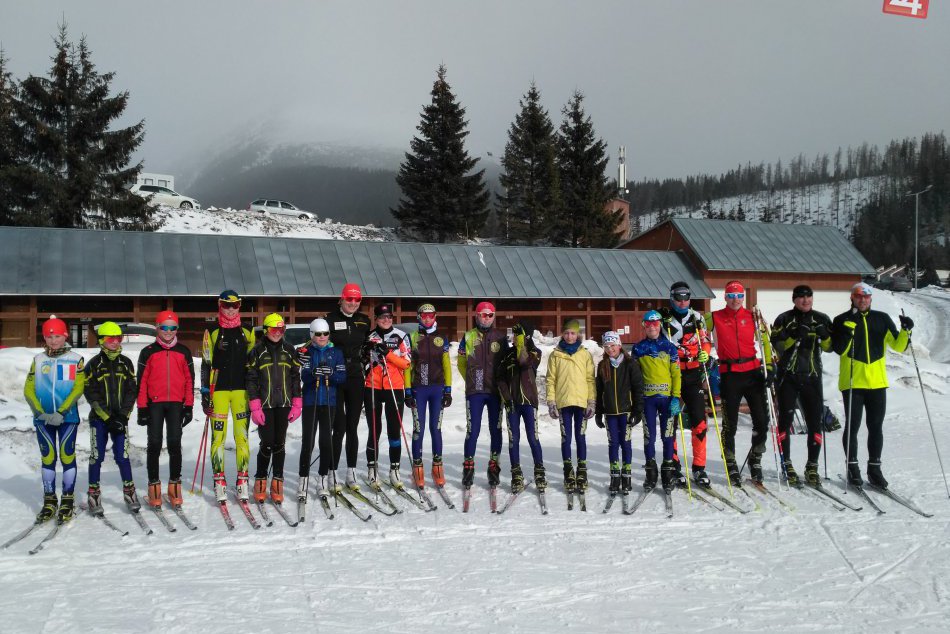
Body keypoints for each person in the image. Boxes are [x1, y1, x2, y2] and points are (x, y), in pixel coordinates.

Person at [831, 282, 911, 488]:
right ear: (852, 298)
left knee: (875, 427)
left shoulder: (881, 319)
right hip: (852, 383)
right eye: (859, 296)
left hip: (877, 383)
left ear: (871, 299)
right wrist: (849, 330)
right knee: (853, 427)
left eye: (866, 296)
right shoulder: (842, 320)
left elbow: (899, 346)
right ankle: (853, 468)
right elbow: (839, 349)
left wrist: (906, 330)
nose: (863, 300)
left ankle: (875, 469)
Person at [706, 281, 773, 485]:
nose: (735, 300)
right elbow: (698, 334)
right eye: (731, 295)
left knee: (762, 421)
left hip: (753, 373)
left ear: (743, 298)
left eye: (739, 296)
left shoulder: (752, 317)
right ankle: (731, 461)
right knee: (730, 424)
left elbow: (765, 342)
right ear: (725, 297)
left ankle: (756, 458)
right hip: (729, 373)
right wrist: (704, 352)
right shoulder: (714, 317)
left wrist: (769, 366)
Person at [24, 316, 86, 522]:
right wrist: (39, 412)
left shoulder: (76, 359)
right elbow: (29, 389)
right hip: (43, 419)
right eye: (49, 336)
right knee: (48, 458)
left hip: (67, 418)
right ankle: (49, 500)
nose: (53, 340)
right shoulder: (38, 360)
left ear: (65, 336)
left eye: (57, 335)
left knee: (67, 456)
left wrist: (61, 411)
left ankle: (67, 499)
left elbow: (78, 387)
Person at [770, 284, 833, 486]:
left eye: (809, 297)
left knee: (815, 422)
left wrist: (825, 335)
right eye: (801, 298)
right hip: (788, 377)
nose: (805, 301)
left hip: (812, 377)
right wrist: (795, 336)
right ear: (794, 300)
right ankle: (786, 463)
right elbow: (777, 345)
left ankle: (812, 466)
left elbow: (830, 347)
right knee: (785, 422)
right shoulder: (784, 318)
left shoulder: (821, 318)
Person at [200, 290, 256, 503]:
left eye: (235, 305)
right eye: (226, 305)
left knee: (242, 438)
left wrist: (254, 391)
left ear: (239, 306)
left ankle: (242, 480)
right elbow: (206, 364)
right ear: (220, 305)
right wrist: (205, 393)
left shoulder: (248, 332)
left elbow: (253, 365)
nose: (230, 309)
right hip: (219, 392)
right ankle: (219, 481)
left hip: (241, 392)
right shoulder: (212, 332)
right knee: (218, 439)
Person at [137, 310, 196, 508]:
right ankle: (154, 486)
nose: (168, 331)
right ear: (157, 328)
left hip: (176, 405)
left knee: (174, 444)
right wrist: (142, 408)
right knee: (154, 444)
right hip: (154, 404)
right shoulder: (148, 351)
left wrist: (189, 406)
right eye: (165, 327)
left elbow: (189, 380)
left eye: (173, 328)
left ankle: (174, 486)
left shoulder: (183, 351)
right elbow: (142, 381)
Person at [660, 281, 713, 487]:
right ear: (671, 297)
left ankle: (699, 468)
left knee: (699, 421)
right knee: (671, 421)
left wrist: (705, 353)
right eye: (678, 297)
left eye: (686, 297)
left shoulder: (697, 317)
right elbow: (652, 335)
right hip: (672, 376)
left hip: (693, 376)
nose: (682, 301)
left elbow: (706, 340)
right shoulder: (663, 317)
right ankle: (673, 465)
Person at [246, 313, 302, 504]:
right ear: (266, 330)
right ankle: (261, 478)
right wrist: (254, 405)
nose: (277, 333)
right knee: (267, 442)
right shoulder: (257, 351)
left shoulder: (289, 350)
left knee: (280, 443)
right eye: (273, 329)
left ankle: (277, 480)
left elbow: (295, 377)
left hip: (284, 403)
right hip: (265, 405)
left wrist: (297, 402)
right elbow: (251, 379)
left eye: (280, 330)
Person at [84, 322, 139, 511]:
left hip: (121, 419)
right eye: (110, 339)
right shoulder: (93, 365)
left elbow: (132, 391)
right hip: (100, 419)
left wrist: (123, 416)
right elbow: (91, 394)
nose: (115, 342)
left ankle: (130, 491)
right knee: (96, 456)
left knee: (122, 456)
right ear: (101, 341)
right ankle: (94, 493)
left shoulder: (126, 362)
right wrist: (108, 417)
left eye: (118, 338)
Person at [458, 302, 509, 489]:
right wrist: (471, 380)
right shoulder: (468, 336)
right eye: (483, 314)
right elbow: (461, 363)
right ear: (476, 316)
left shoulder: (501, 337)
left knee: (495, 430)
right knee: (473, 430)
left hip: (495, 392)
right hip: (476, 391)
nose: (486, 318)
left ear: (494, 317)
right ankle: (468, 467)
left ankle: (494, 466)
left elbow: (506, 364)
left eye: (490, 315)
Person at [325, 283, 371, 489]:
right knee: (339, 426)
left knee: (352, 426)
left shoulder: (364, 321)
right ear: (341, 299)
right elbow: (320, 343)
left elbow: (369, 345)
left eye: (356, 300)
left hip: (355, 377)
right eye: (349, 299)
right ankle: (332, 471)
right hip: (336, 376)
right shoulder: (330, 319)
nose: (353, 303)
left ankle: (350, 471)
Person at [361, 303, 411, 486]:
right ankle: (372, 468)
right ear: (376, 319)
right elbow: (361, 360)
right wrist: (366, 353)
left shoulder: (401, 336)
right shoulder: (369, 336)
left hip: (394, 387)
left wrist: (388, 353)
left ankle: (394, 468)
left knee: (393, 430)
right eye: (382, 317)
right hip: (372, 386)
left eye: (389, 317)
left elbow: (406, 363)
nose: (386, 320)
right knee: (374, 429)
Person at [404, 304, 452, 490]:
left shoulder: (441, 338)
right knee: (418, 429)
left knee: (435, 428)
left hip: (437, 389)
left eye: (431, 315)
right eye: (424, 315)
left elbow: (447, 365)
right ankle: (418, 467)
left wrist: (448, 390)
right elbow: (407, 367)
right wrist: (407, 391)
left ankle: (437, 467)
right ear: (418, 317)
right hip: (419, 389)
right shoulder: (412, 338)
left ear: (435, 316)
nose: (427, 319)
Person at [633, 311, 682, 491]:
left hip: (667, 399)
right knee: (649, 437)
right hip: (648, 400)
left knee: (667, 437)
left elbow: (676, 374)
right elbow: (635, 377)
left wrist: (676, 396)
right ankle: (651, 473)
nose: (652, 326)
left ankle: (668, 473)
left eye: (655, 323)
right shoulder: (638, 348)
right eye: (648, 323)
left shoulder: (669, 347)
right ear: (644, 325)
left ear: (660, 325)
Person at [546, 318, 596, 495]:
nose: (569, 336)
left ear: (578, 334)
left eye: (573, 333)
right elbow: (551, 380)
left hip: (581, 403)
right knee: (566, 438)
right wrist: (551, 403)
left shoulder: (584, 354)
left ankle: (581, 470)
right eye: (566, 333)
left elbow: (590, 379)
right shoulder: (555, 354)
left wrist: (591, 401)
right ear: (562, 334)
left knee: (580, 437)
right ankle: (568, 471)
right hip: (563, 402)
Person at [298, 318, 346, 499]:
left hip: (329, 401)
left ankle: (323, 479)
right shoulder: (307, 352)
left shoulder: (336, 352)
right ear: (312, 335)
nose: (322, 337)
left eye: (325, 333)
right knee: (308, 443)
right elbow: (303, 375)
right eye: (318, 334)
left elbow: (342, 376)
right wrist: (312, 374)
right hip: (311, 402)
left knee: (326, 443)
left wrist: (332, 374)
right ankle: (303, 481)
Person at [595, 331, 645, 494]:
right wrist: (598, 412)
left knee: (626, 443)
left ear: (619, 345)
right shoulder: (603, 365)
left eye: (613, 345)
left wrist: (637, 411)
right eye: (607, 346)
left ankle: (626, 475)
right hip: (610, 414)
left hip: (626, 412)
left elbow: (638, 389)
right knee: (613, 444)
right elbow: (599, 390)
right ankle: (615, 476)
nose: (610, 349)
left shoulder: (630, 364)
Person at [497, 322, 544, 493]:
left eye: (517, 335)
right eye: (514, 335)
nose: (514, 338)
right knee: (513, 439)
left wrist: (522, 342)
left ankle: (539, 471)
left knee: (533, 438)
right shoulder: (507, 355)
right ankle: (516, 473)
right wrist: (507, 399)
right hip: (513, 404)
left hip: (529, 403)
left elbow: (523, 362)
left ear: (526, 337)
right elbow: (500, 379)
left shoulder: (534, 352)